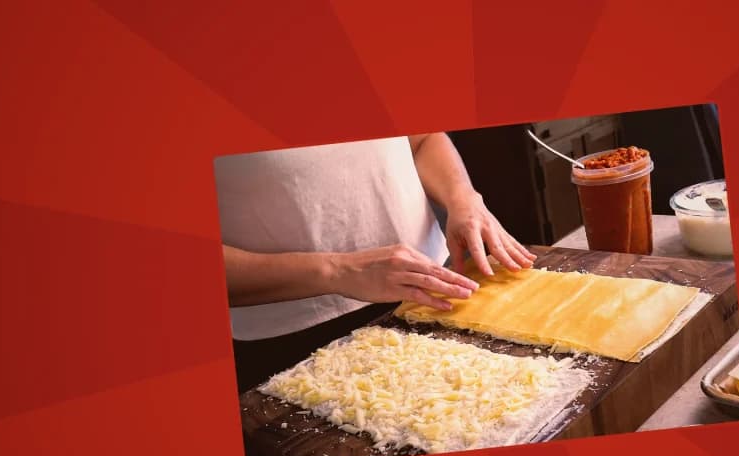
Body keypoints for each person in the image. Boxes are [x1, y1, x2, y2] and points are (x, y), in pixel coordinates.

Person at [215, 133, 535, 392]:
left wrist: (462, 197)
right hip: (293, 339)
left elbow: (422, 139)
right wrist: (338, 270)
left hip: (436, 292)